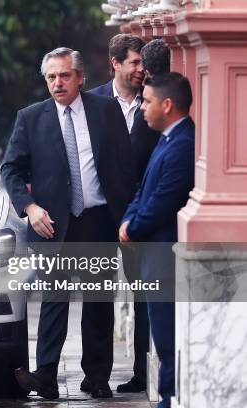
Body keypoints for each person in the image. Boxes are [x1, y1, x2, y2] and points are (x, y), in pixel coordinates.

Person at [2, 47, 134, 399]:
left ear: (79, 77)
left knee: (98, 302)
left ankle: (96, 378)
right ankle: (45, 376)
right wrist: (29, 207)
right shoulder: (30, 118)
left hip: (98, 221)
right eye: (50, 77)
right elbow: (11, 169)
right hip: (52, 224)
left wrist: (128, 217)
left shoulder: (107, 111)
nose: (57, 83)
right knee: (54, 299)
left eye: (63, 76)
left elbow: (125, 165)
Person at [89, 35, 168, 394]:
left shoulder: (153, 101)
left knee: (143, 293)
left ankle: (141, 371)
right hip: (101, 213)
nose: (141, 69)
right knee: (98, 295)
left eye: (143, 64)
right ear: (115, 63)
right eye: (135, 63)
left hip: (139, 216)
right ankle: (95, 375)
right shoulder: (93, 102)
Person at [119, 72, 195, 408]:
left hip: (165, 261)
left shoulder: (184, 143)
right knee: (162, 339)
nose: (143, 108)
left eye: (147, 101)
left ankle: (168, 401)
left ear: (167, 105)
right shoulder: (166, 138)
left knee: (167, 341)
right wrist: (127, 219)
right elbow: (143, 190)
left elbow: (165, 199)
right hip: (153, 259)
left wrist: (133, 229)